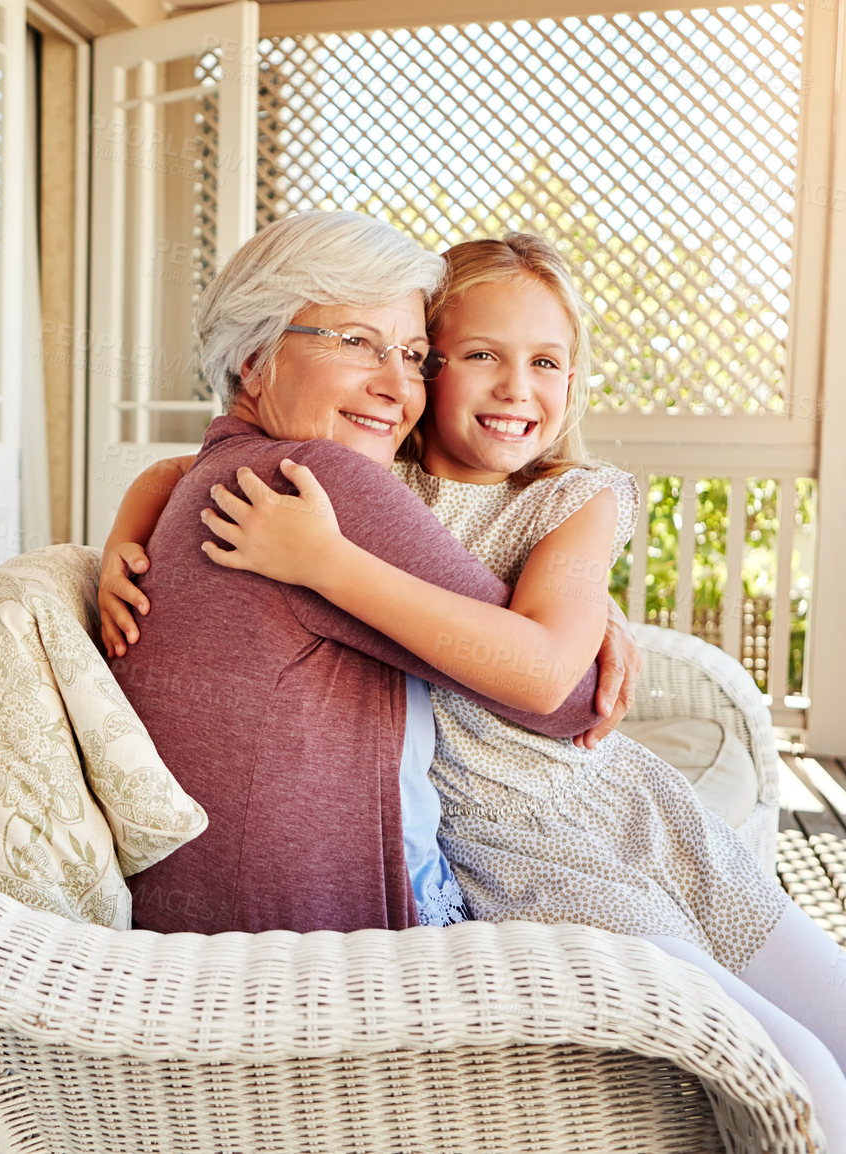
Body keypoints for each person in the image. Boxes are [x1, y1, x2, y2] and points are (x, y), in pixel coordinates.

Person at [112, 227, 846, 1153]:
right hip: (511, 856)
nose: (516, 386)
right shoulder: (361, 474)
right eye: (474, 354)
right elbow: (186, 466)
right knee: (799, 1088)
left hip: (605, 804)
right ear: (439, 372)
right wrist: (132, 525)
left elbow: (547, 672)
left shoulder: (566, 495)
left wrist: (336, 565)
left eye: (548, 361)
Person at [104, 210, 642, 942]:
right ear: (254, 359)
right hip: (332, 946)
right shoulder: (319, 485)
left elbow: (172, 470)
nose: (397, 386)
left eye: (414, 355)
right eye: (357, 342)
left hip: (199, 928)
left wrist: (582, 601)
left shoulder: (226, 472)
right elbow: (570, 696)